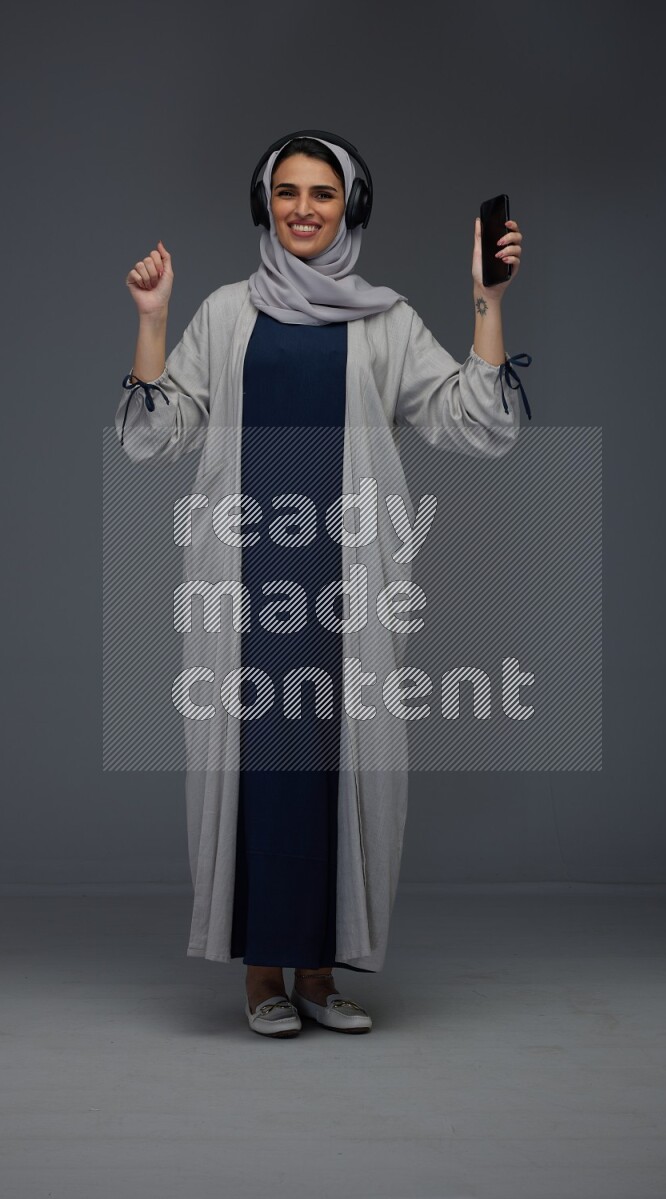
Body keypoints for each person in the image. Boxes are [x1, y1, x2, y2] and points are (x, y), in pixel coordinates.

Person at [116, 130, 528, 1039]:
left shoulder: (383, 322)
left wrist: (486, 301)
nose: (305, 209)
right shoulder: (227, 314)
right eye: (290, 192)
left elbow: (476, 425)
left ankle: (318, 969)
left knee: (343, 767)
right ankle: (261, 971)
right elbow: (156, 434)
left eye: (325, 195)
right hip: (245, 584)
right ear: (265, 201)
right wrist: (153, 320)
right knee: (259, 769)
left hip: (347, 585)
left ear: (352, 207)